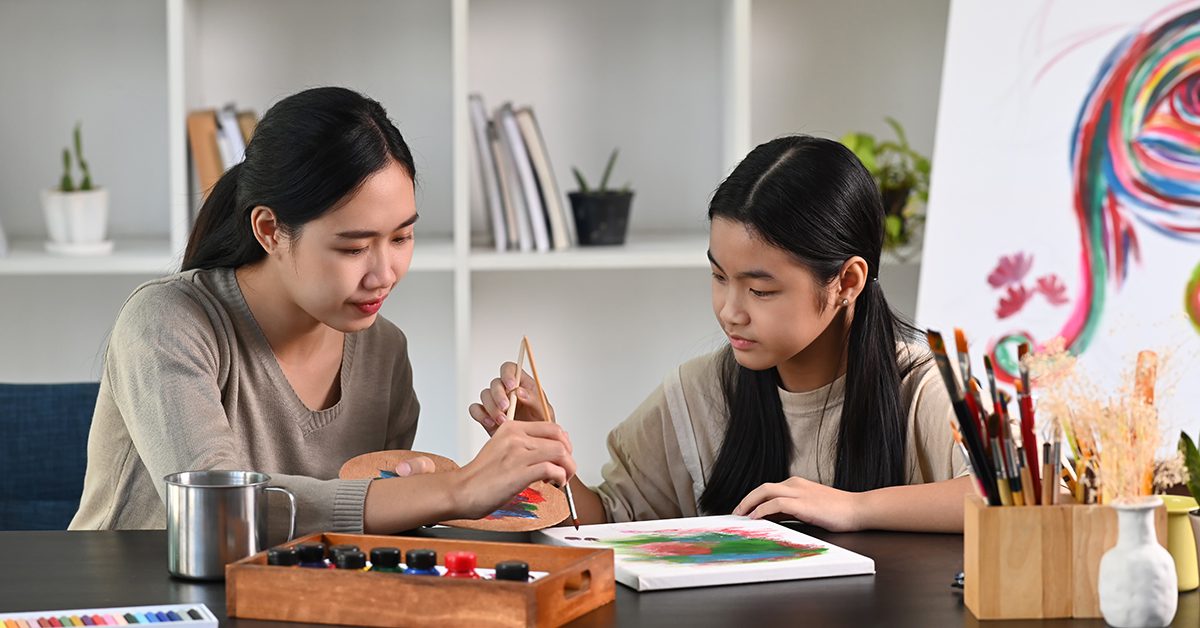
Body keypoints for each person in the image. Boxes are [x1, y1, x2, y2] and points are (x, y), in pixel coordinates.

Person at [70, 87, 575, 539]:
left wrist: (511, 474)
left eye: (401, 237)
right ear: (269, 230)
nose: (384, 273)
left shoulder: (384, 350)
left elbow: (359, 536)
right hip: (131, 603)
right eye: (354, 248)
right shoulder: (167, 323)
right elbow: (216, 507)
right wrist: (455, 489)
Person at [470, 135, 972, 533]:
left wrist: (854, 509)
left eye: (760, 289)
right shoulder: (698, 395)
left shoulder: (924, 385)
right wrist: (543, 457)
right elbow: (604, 522)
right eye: (718, 277)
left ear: (847, 282)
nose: (730, 312)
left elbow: (1022, 498)